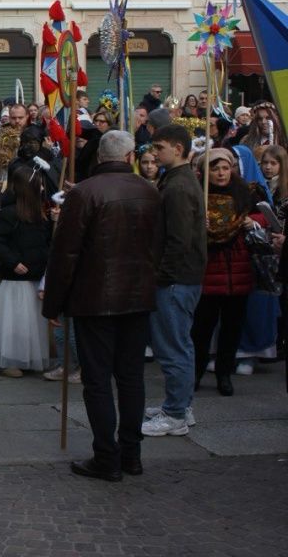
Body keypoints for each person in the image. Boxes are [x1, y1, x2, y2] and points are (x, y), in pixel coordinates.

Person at [42, 131, 160, 481]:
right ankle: (130, 454)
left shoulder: (85, 192)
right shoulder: (148, 190)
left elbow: (66, 253)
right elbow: (159, 244)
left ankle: (108, 456)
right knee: (130, 378)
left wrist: (54, 303)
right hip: (136, 297)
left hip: (95, 299)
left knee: (98, 380)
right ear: (128, 158)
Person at [142, 125, 206, 438]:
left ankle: (176, 413)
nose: (154, 153)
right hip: (180, 278)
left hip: (176, 280)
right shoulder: (176, 180)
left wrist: (162, 276)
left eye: (160, 147)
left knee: (172, 347)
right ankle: (180, 404)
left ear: (178, 148)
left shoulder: (179, 186)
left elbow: (179, 239)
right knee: (179, 343)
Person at [192, 148, 260, 397]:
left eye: (224, 168)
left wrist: (255, 221)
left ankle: (224, 373)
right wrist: (197, 222)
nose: (221, 173)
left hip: (238, 268)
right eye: (215, 168)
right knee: (202, 327)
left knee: (232, 327)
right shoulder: (198, 194)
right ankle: (196, 371)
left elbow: (264, 213)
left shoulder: (245, 191)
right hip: (209, 268)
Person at [0, 164, 52, 378]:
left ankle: (28, 357)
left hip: (35, 276)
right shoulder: (10, 214)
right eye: (39, 185)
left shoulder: (42, 215)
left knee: (31, 323)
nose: (42, 188)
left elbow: (47, 242)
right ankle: (8, 360)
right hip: (16, 278)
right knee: (14, 321)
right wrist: (12, 262)